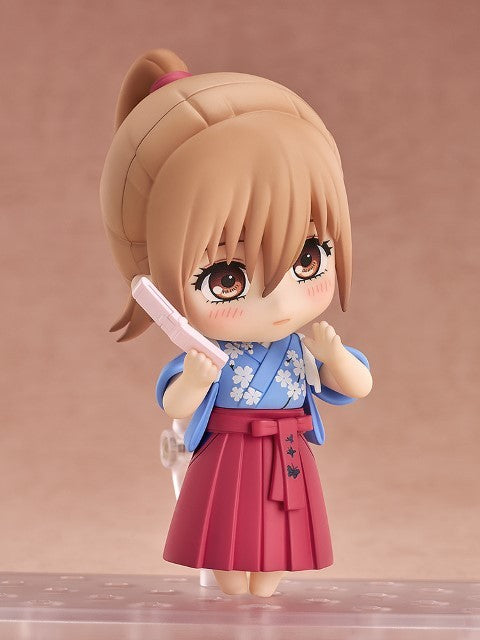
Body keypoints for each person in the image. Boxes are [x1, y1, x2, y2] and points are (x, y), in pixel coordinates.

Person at [100, 48, 372, 598]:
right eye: (227, 277)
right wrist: (195, 380)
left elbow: (358, 386)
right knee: (227, 548)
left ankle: (263, 602)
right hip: (226, 453)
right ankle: (230, 605)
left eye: (308, 259)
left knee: (274, 552)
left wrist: (335, 356)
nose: (278, 299)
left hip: (286, 454)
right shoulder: (203, 350)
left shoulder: (300, 348)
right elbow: (175, 404)